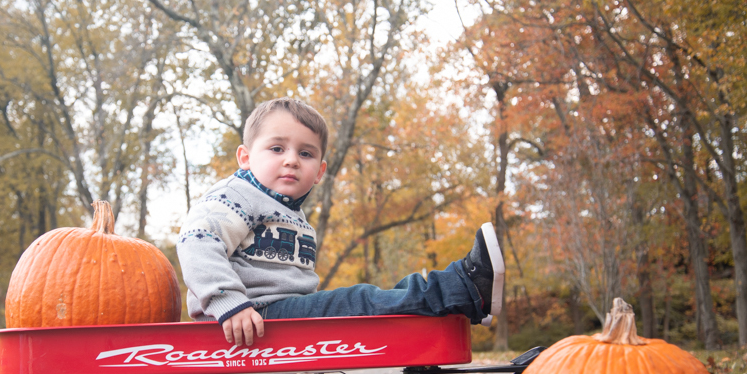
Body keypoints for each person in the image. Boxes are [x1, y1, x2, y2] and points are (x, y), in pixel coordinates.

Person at [176, 98, 505, 346]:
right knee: (359, 300)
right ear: (246, 157)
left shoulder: (289, 211)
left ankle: (459, 299)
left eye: (306, 154)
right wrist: (228, 303)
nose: (291, 159)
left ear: (319, 172)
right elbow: (197, 241)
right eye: (276, 148)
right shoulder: (237, 195)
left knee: (372, 299)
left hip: (280, 312)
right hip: (251, 316)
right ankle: (464, 288)